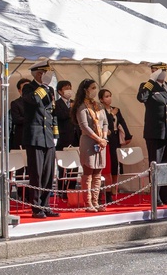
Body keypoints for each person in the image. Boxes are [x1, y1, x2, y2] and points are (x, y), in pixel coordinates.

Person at [137, 63, 167, 206]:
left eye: (161, 71)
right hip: (155, 132)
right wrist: (151, 80)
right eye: (155, 71)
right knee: (156, 165)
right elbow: (141, 98)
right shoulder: (147, 86)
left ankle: (166, 195)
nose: (159, 73)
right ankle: (155, 196)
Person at [22, 60, 60, 219]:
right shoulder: (29, 88)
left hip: (48, 137)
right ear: (39, 74)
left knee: (48, 174)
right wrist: (42, 87)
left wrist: (56, 134)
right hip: (35, 136)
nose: (48, 75)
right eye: (46, 72)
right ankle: (36, 207)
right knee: (36, 174)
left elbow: (52, 113)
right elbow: (35, 102)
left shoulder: (50, 89)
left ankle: (46, 205)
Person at [73, 79, 109, 212]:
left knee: (98, 173)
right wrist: (98, 139)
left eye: (96, 87)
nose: (95, 90)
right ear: (85, 90)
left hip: (101, 142)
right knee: (88, 172)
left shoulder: (99, 105)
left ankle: (96, 201)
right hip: (89, 141)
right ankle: (88, 202)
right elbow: (84, 126)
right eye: (92, 88)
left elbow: (105, 122)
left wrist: (104, 137)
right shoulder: (81, 106)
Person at [99, 88, 132, 202]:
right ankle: (105, 189)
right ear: (101, 99)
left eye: (110, 95)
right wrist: (111, 114)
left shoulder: (116, 109)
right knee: (107, 163)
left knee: (115, 162)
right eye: (106, 96)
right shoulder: (100, 110)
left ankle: (114, 187)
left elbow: (122, 122)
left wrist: (127, 136)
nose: (109, 98)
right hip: (105, 137)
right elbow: (105, 122)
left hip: (115, 137)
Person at [54, 80, 76, 150]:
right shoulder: (56, 104)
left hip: (76, 135)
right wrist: (71, 109)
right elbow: (60, 115)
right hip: (64, 135)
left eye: (70, 88)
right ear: (60, 91)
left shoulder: (75, 103)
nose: (69, 90)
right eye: (66, 88)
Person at [10, 78, 30, 150]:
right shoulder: (16, 103)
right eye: (24, 88)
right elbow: (16, 119)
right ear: (19, 90)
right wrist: (32, 119)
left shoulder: (37, 102)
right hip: (22, 137)